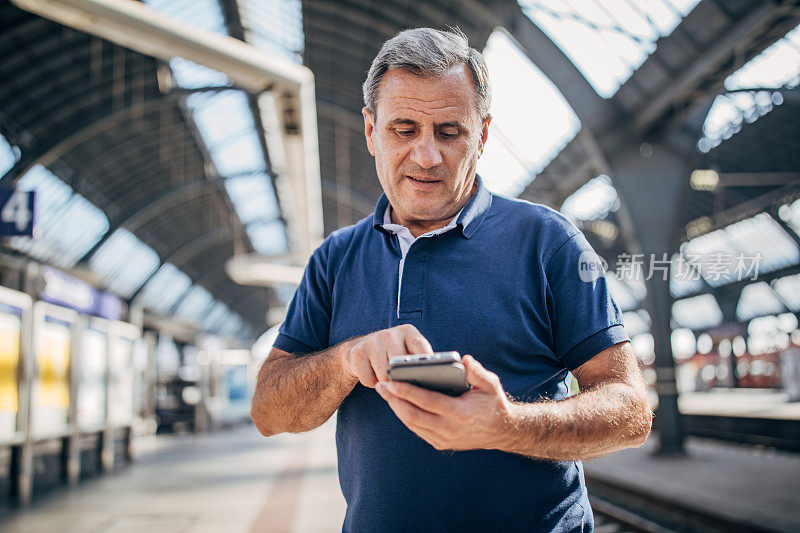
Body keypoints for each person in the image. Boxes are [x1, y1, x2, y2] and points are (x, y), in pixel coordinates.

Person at [251, 27, 652, 532]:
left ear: (481, 135)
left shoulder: (548, 243)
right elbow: (269, 410)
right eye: (404, 130)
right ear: (370, 129)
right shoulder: (334, 260)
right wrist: (347, 360)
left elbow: (631, 408)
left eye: (449, 132)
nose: (426, 155)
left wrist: (507, 426)